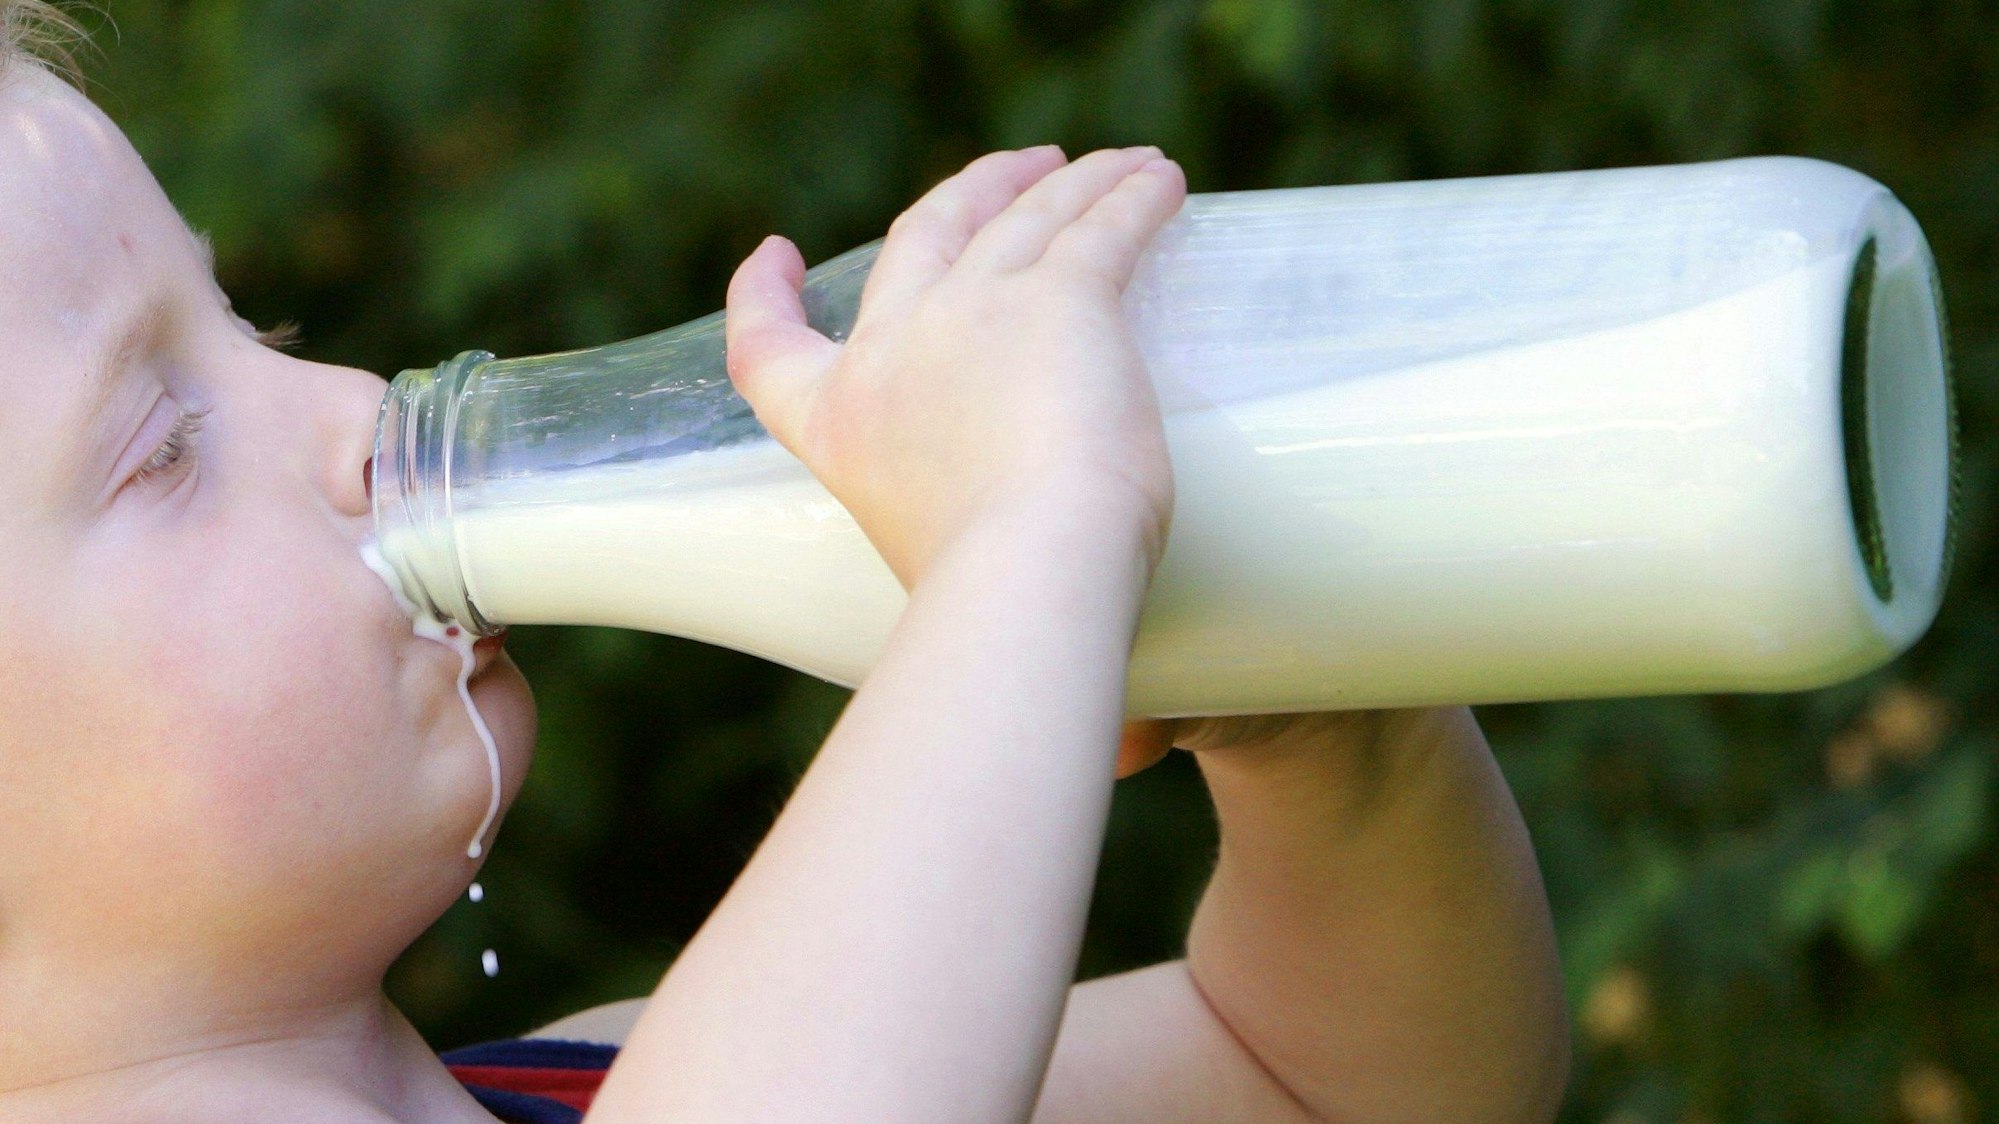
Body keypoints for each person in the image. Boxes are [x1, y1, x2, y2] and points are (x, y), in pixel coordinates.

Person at [0, 4, 1569, 1121]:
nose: (353, 408)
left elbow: (1335, 1077)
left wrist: (1313, 737)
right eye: (163, 447)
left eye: (254, 330)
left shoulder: (604, 1081)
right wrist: (1028, 535)